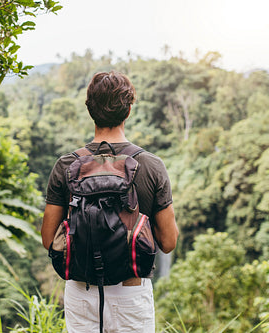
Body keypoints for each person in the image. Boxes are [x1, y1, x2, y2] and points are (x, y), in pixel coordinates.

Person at [41, 71, 179, 333]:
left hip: (81, 292)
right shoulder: (151, 165)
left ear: (89, 108)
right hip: (131, 294)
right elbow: (169, 243)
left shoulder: (66, 165)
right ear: (128, 111)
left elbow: (49, 239)